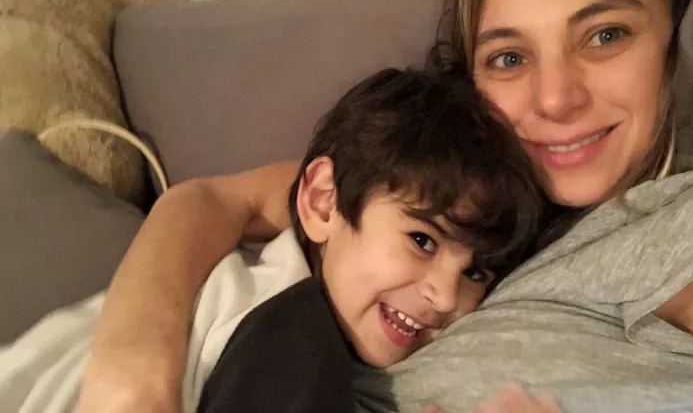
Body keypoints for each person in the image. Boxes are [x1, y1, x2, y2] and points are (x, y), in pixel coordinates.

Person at [74, 0, 693, 412]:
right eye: (508, 57)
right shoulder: (445, 182)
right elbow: (211, 200)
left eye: (606, 35)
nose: (557, 98)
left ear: (672, 43)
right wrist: (133, 374)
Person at [0, 68, 555, 413]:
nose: (445, 295)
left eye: (475, 272)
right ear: (321, 202)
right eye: (423, 240)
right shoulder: (294, 327)